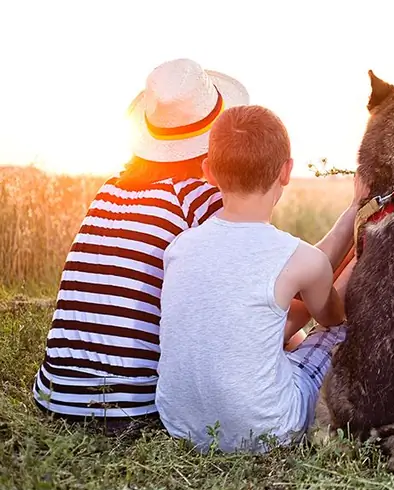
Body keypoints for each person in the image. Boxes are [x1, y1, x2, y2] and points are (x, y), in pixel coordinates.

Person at [30, 59, 249, 433]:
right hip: (129, 406)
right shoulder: (196, 197)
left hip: (54, 394)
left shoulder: (110, 189)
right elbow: (250, 285)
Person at [153, 105, 366, 452]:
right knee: (335, 333)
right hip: (267, 426)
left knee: (266, 324)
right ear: (286, 171)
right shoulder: (301, 259)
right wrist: (361, 251)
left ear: (208, 171)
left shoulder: (180, 247)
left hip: (179, 422)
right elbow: (333, 317)